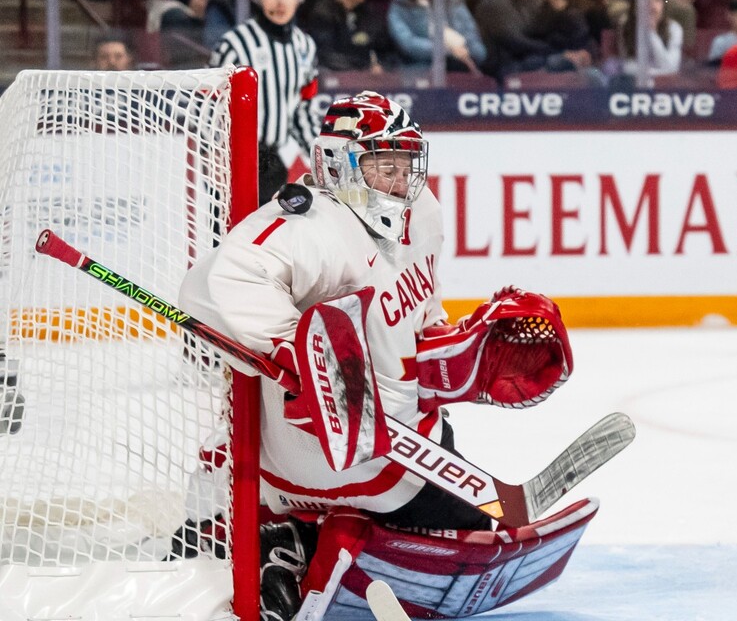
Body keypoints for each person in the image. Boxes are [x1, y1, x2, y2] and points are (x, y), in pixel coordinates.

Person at [177, 92, 575, 621]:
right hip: (323, 454)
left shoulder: (423, 209)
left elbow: (419, 311)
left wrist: (454, 358)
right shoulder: (309, 224)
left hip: (406, 440)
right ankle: (316, 534)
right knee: (477, 530)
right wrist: (291, 346)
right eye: (383, 166)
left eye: (406, 164)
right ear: (338, 165)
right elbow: (211, 283)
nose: (400, 181)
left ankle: (285, 540)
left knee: (475, 519)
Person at [210, 0, 321, 206]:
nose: (280, 2)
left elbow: (303, 108)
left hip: (272, 162)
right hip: (234, 159)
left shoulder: (305, 46)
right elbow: (212, 108)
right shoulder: (235, 45)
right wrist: (216, 154)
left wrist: (319, 156)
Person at [387, 0, 488, 73]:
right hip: (420, 66)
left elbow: (472, 36)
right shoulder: (399, 5)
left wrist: (469, 51)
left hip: (459, 63)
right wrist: (446, 50)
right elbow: (408, 43)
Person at [305, 0, 394, 72]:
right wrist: (362, 70)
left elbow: (388, 50)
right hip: (335, 78)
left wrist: (382, 66)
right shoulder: (322, 13)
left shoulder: (369, 13)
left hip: (367, 78)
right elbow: (326, 55)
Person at [618, 0, 683, 77]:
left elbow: (670, 68)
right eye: (645, 0)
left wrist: (652, 32)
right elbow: (628, 67)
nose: (652, 6)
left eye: (657, 0)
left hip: (666, 87)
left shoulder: (674, 28)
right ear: (635, 8)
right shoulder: (626, 26)